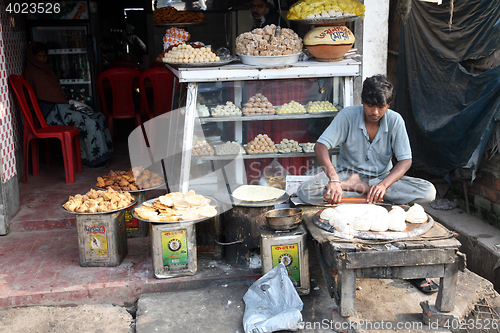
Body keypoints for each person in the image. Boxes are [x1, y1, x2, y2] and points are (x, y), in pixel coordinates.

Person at [314, 75, 438, 293]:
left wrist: (384, 185)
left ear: (388, 105)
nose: (375, 112)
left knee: (428, 191)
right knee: (307, 191)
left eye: (381, 107)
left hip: (381, 181)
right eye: (370, 105)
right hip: (345, 176)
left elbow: (406, 160)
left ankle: (362, 191)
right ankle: (359, 190)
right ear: (362, 102)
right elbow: (321, 146)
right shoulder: (347, 116)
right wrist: (334, 179)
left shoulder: (395, 120)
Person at [24, 41, 113, 168]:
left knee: (98, 117)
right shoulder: (32, 73)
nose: (43, 59)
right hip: (51, 113)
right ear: (32, 57)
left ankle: (105, 154)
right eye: (39, 56)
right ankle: (94, 159)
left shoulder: (45, 71)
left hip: (61, 107)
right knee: (88, 122)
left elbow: (55, 93)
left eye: (44, 56)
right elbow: (45, 97)